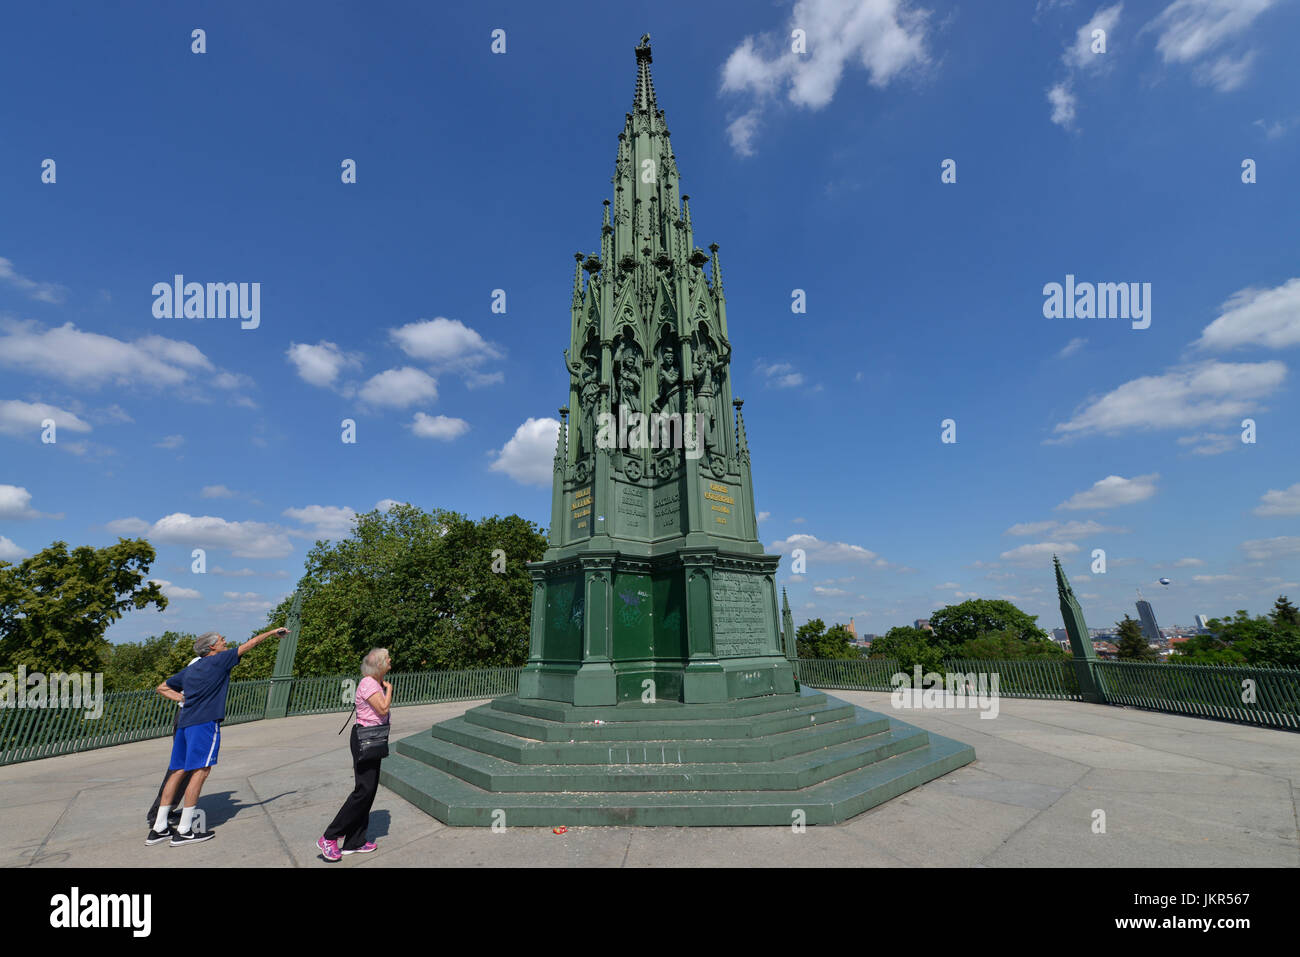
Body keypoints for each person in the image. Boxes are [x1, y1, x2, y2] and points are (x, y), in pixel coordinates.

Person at [146, 626, 287, 846]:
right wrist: (271, 634)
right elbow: (249, 645)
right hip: (204, 723)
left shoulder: (192, 668)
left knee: (178, 770)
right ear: (212, 647)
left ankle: (159, 827)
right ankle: (184, 830)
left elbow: (162, 687)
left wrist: (183, 700)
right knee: (200, 771)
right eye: (221, 639)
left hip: (184, 723)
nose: (225, 641)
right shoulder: (219, 660)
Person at [318, 648, 393, 861]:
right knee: (363, 790)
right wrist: (390, 690)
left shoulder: (375, 682)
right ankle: (329, 836)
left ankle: (355, 841)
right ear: (379, 664)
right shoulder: (369, 683)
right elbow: (383, 709)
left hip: (375, 739)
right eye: (387, 658)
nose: (390, 660)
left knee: (368, 791)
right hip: (365, 740)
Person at [144, 654, 201, 829]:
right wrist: (184, 699)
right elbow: (165, 687)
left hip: (195, 717)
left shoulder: (208, 662)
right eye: (221, 641)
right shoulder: (198, 663)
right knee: (179, 767)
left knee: (188, 768)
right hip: (187, 717)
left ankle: (167, 810)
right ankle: (157, 815)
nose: (225, 644)